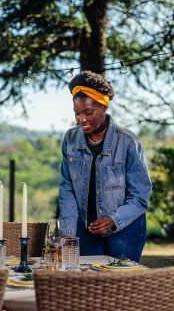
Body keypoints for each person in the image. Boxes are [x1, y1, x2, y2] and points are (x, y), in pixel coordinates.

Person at [58, 71, 152, 263]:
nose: (81, 119)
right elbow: (67, 186)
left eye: (88, 113)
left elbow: (140, 195)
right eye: (77, 113)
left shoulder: (128, 143)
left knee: (121, 284)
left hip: (126, 225)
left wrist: (113, 219)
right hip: (86, 224)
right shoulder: (70, 139)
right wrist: (68, 232)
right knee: (88, 282)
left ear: (103, 107)